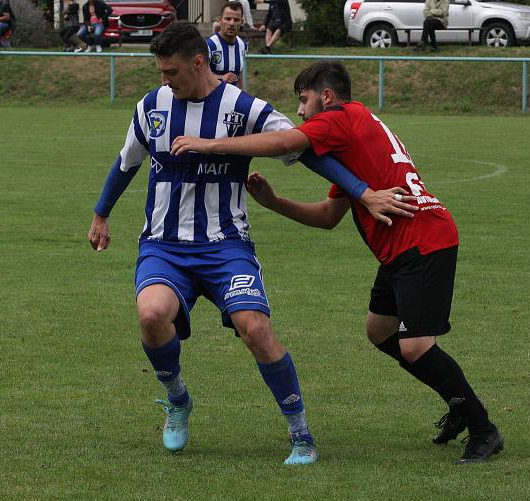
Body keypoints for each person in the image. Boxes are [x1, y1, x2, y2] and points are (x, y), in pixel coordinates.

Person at [87, 23, 411, 465]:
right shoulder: (151, 107)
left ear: (198, 63)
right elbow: (126, 163)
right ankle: (178, 400)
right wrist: (101, 214)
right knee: (150, 315)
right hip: (164, 245)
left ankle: (301, 434)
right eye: (161, 73)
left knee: (256, 328)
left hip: (226, 245)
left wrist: (362, 192)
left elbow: (309, 152)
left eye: (172, 72)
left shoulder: (245, 108)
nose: (165, 81)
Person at [170, 61, 504, 464]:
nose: (300, 112)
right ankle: (459, 403)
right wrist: (274, 203)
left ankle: (483, 427)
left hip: (423, 240)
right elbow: (328, 217)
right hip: (403, 246)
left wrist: (208, 144)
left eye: (304, 100)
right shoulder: (356, 137)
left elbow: (282, 143)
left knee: (416, 346)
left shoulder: (342, 118)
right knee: (380, 331)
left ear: (326, 97)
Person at [207, 1, 247, 89]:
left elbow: (239, 74)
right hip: (212, 99)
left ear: (242, 22)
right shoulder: (210, 45)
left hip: (232, 100)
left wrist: (242, 95)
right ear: (220, 20)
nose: (232, 23)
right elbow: (199, 75)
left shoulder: (243, 45)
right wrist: (221, 77)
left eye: (236, 20)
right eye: (228, 19)